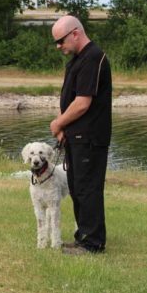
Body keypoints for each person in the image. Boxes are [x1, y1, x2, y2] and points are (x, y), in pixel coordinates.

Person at [49, 15, 112, 255]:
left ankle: (93, 243)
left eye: (60, 40)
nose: (59, 46)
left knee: (88, 188)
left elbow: (83, 103)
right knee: (76, 187)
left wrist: (57, 124)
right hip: (75, 136)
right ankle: (82, 236)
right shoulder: (77, 60)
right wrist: (64, 128)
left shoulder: (93, 58)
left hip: (90, 137)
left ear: (75, 33)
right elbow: (69, 99)